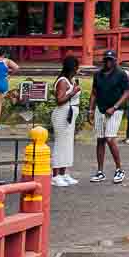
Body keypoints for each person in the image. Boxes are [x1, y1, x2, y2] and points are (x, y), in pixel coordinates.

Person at [88, 48, 129, 183]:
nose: (108, 62)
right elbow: (94, 92)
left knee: (110, 138)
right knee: (100, 139)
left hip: (115, 110)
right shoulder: (98, 74)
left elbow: (127, 92)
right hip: (101, 108)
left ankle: (119, 169)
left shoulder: (121, 74)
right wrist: (91, 110)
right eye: (106, 60)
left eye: (110, 60)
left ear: (115, 60)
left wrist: (115, 106)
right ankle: (100, 171)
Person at [50, 55, 81, 185]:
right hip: (62, 114)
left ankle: (64, 173)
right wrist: (73, 92)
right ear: (73, 68)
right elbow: (60, 100)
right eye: (77, 67)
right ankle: (55, 175)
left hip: (70, 114)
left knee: (68, 144)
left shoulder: (71, 80)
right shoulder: (63, 81)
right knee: (61, 144)